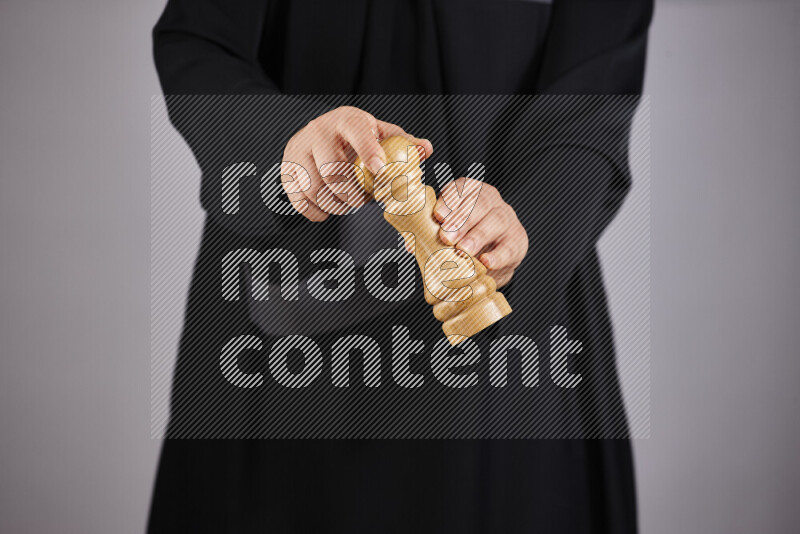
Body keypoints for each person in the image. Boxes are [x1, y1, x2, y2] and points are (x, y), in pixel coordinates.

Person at [148, 0, 652, 532]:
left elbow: (596, 85)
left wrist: (525, 221)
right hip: (278, 314)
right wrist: (283, 142)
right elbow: (200, 40)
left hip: (513, 325)